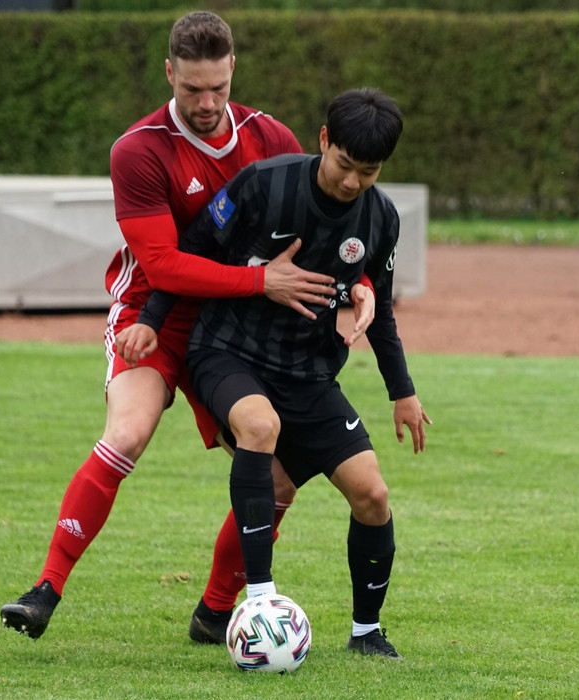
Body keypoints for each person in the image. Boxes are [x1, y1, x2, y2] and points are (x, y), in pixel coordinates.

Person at [0, 11, 375, 642]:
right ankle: (45, 590)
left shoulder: (270, 137)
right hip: (153, 319)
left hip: (234, 329)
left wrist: (359, 286)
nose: (206, 103)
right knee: (128, 432)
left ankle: (216, 611)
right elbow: (164, 265)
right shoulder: (139, 149)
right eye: (192, 88)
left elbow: (327, 229)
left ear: (233, 71)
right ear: (169, 72)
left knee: (278, 472)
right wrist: (262, 282)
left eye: (218, 88)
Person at [117, 87, 432, 658]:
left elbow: (380, 308)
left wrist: (402, 392)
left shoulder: (381, 217)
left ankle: (366, 633)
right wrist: (151, 321)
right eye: (344, 164)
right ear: (323, 140)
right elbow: (192, 247)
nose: (352, 182)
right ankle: (259, 603)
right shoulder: (266, 183)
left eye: (368, 171)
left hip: (309, 374)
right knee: (260, 428)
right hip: (228, 352)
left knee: (373, 494)